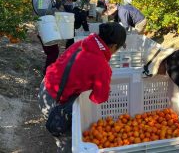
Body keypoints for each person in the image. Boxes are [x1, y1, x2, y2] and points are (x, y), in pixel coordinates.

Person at [38, 22, 126, 152]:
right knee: (68, 144)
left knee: (63, 135)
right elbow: (98, 98)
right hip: (54, 102)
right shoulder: (102, 66)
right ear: (113, 46)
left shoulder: (83, 43)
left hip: (45, 87)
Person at [32, 0, 59, 75]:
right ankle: (48, 74)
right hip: (45, 27)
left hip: (44, 26)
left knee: (51, 51)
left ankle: (49, 72)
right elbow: (42, 10)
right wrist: (54, 8)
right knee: (53, 52)